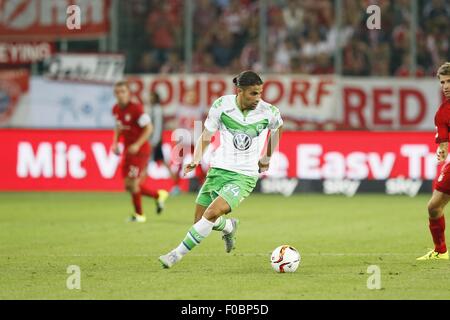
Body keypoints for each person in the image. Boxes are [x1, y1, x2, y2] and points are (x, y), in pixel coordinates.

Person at [159, 71, 283, 268]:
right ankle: (228, 225)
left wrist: (266, 157)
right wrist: (196, 159)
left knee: (211, 214)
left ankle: (175, 254)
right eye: (253, 93)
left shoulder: (269, 112)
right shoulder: (222, 105)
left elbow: (277, 129)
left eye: (260, 93)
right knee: (199, 221)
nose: (258, 98)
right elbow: (207, 134)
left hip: (244, 175)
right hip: (219, 169)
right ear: (239, 91)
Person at [111, 81, 169, 223]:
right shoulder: (116, 109)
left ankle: (139, 215)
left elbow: (149, 128)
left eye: (123, 92)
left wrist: (137, 144)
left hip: (140, 150)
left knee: (134, 184)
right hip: (128, 150)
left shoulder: (136, 109)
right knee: (128, 185)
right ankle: (158, 195)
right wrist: (115, 143)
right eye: (118, 92)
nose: (120, 95)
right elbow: (118, 127)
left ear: (128, 93)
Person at [417, 62, 450, 260]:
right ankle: (440, 251)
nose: (445, 86)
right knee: (434, 207)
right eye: (442, 82)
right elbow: (444, 145)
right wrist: (442, 152)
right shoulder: (442, 113)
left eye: (449, 81)